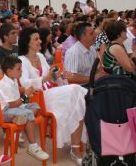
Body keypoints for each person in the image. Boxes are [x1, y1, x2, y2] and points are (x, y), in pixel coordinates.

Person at [18, 27, 87, 164]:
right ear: (27, 42)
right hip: (37, 97)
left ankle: (75, 147)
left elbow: (51, 77)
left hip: (50, 92)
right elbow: (24, 83)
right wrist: (45, 77)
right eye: (36, 39)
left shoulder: (41, 56)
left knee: (76, 98)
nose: (40, 41)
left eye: (39, 38)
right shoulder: (21, 60)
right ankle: (75, 147)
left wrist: (58, 75)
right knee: (76, 91)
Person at [0, 57, 49, 161]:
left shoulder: (13, 79)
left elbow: (16, 91)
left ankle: (21, 119)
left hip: (16, 107)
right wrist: (26, 95)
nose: (21, 71)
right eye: (19, 69)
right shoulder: (4, 85)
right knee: (28, 113)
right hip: (5, 112)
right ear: (9, 71)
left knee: (36, 106)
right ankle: (33, 147)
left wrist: (23, 89)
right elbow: (13, 104)